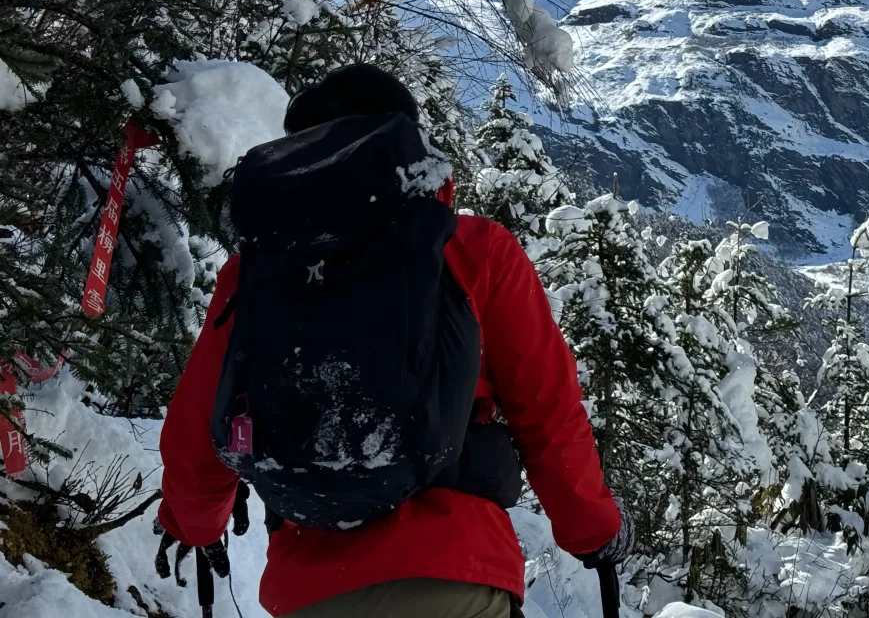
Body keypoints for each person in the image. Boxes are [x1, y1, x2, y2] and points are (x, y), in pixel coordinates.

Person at [156, 63, 631, 617]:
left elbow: (198, 426)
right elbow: (546, 410)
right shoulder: (471, 249)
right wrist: (593, 529)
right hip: (453, 573)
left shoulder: (256, 272)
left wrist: (193, 524)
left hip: (312, 591)